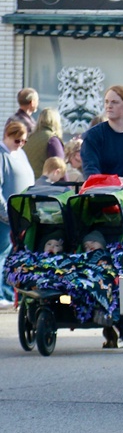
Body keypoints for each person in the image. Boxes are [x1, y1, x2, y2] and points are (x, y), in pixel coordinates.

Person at [0, 120, 35, 307]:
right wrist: (6, 214)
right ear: (8, 135)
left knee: (11, 256)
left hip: (19, 218)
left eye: (23, 141)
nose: (20, 144)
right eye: (17, 140)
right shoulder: (1, 155)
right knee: (1, 255)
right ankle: (1, 294)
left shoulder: (19, 154)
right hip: (4, 218)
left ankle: (8, 293)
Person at [24, 107, 65, 178]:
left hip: (28, 183)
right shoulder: (52, 140)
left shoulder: (30, 138)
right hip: (44, 185)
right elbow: (59, 167)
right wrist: (68, 188)